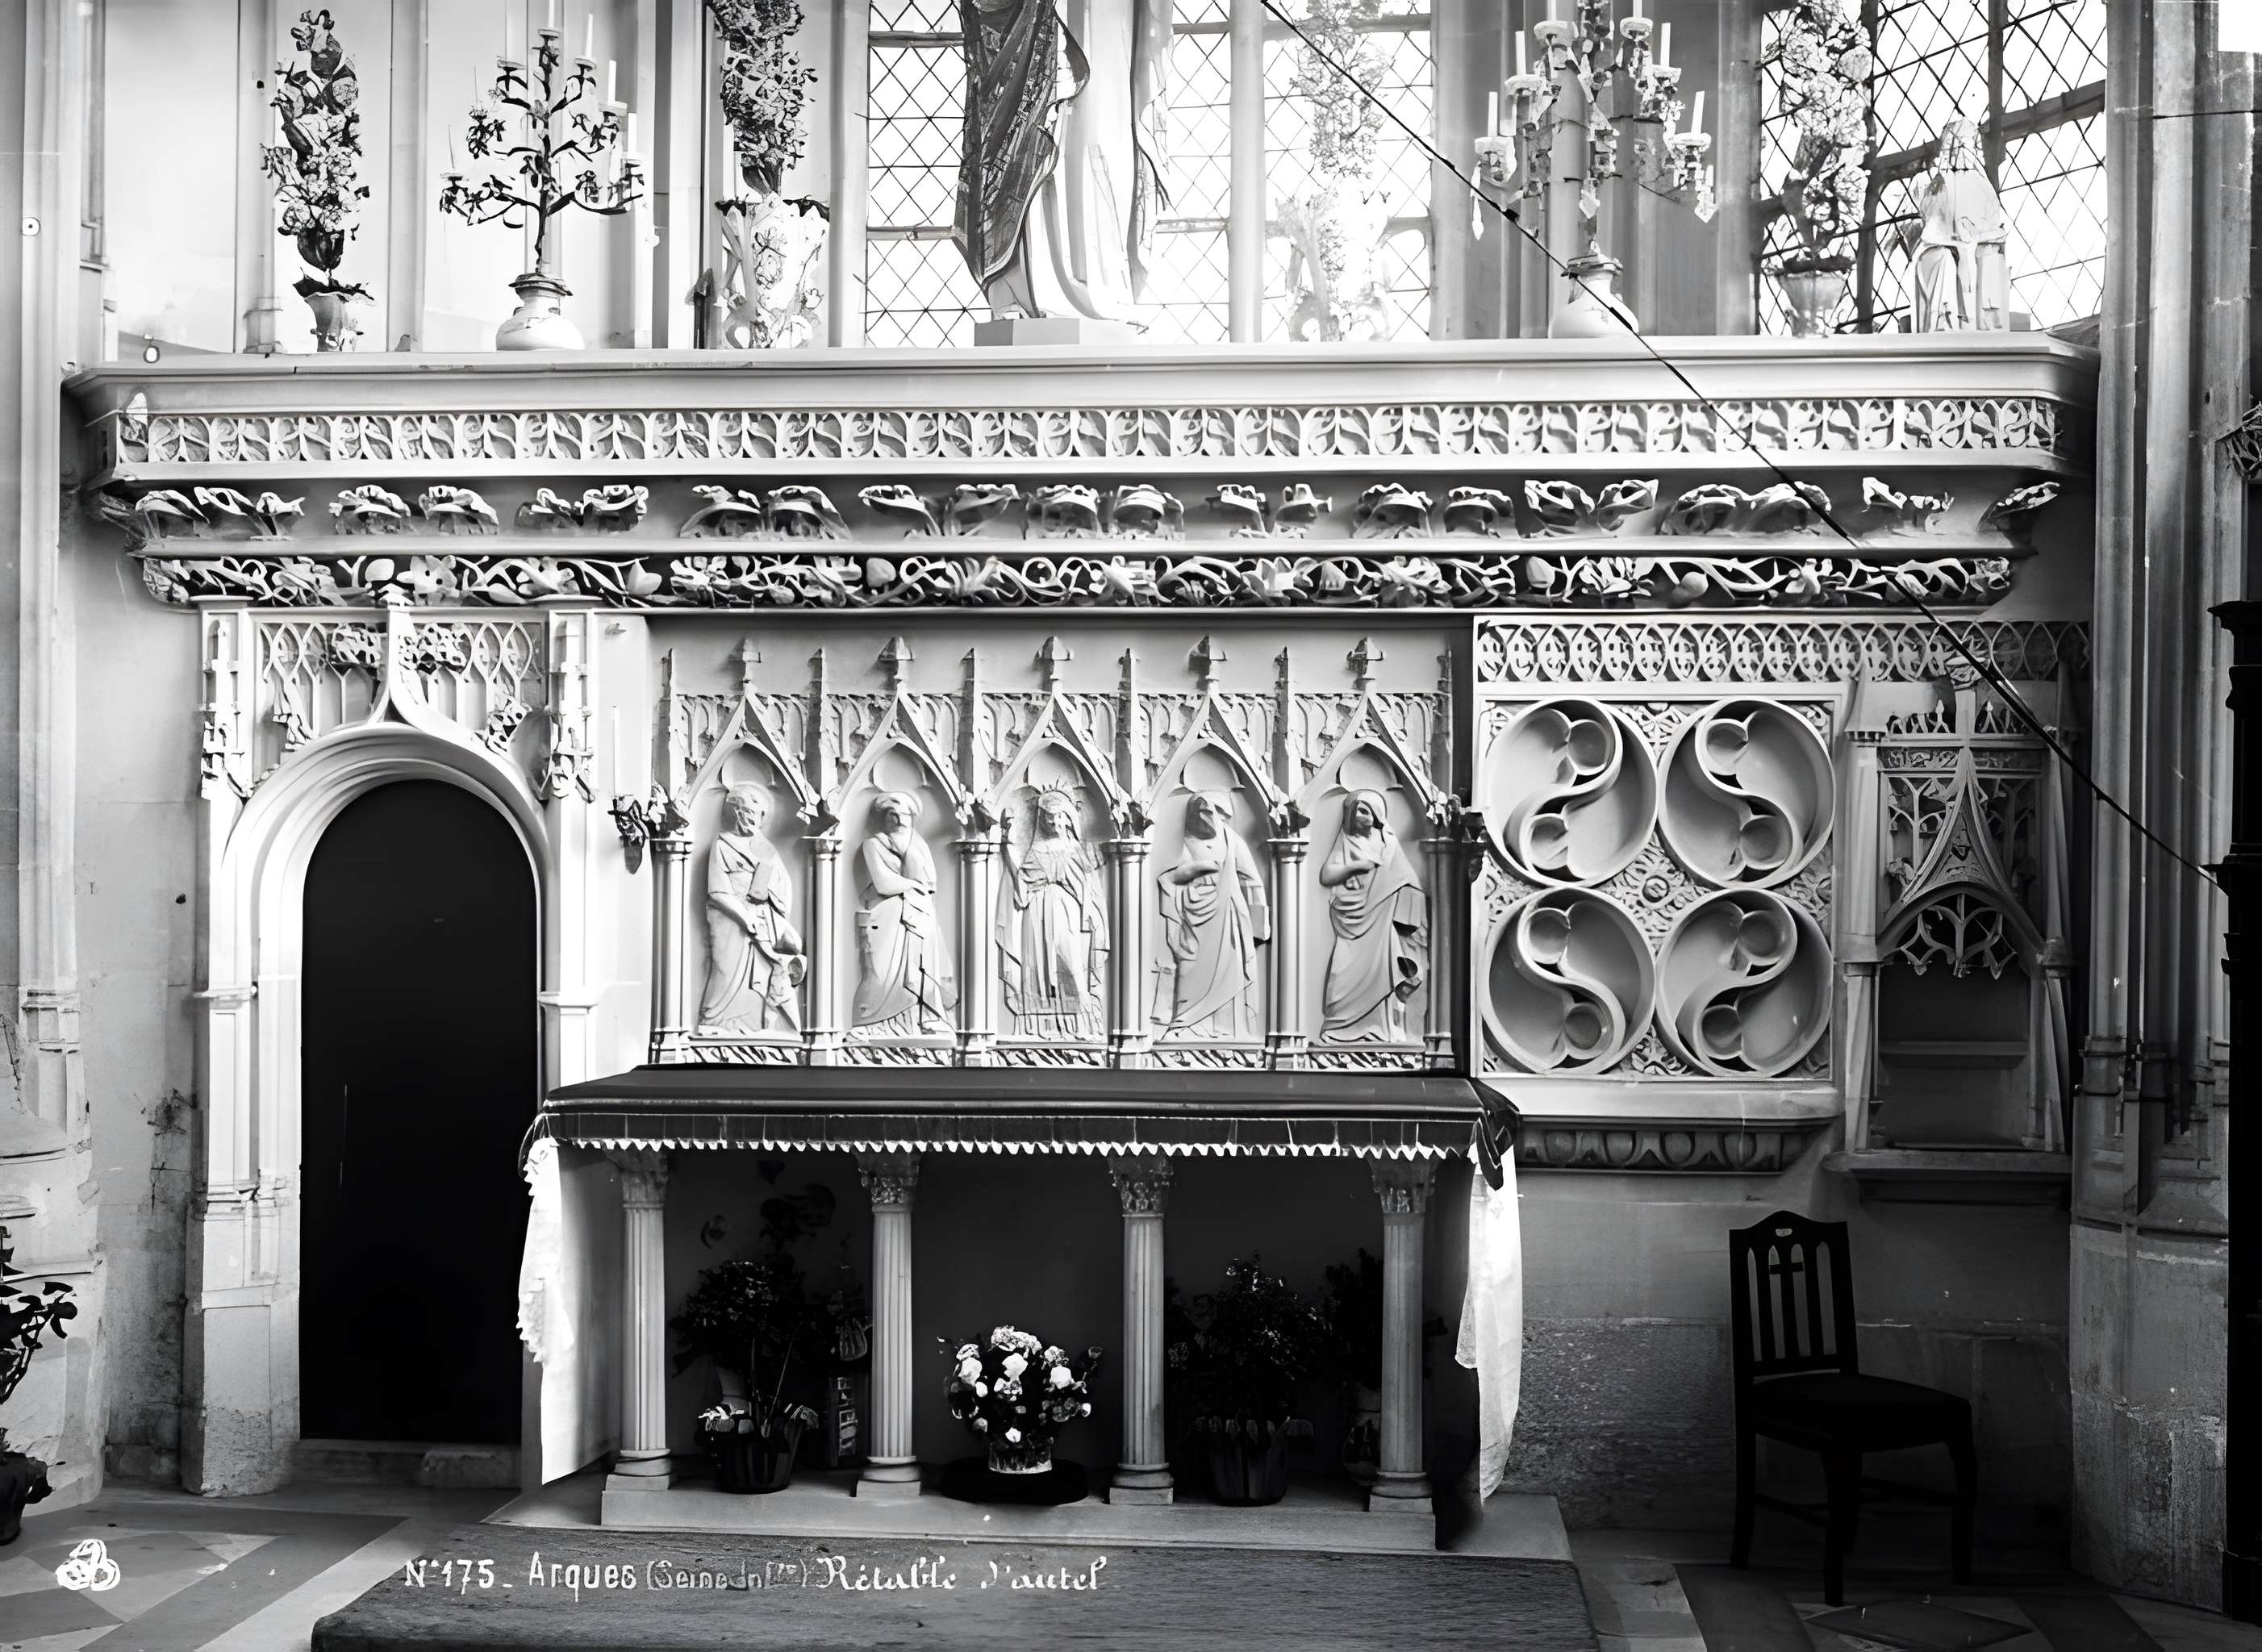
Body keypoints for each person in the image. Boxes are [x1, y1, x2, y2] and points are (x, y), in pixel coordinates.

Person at [954, 0, 1174, 323]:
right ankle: (1028, 286)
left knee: (1102, 125)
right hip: (1036, 24)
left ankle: (1102, 283)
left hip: (1104, 31)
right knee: (1029, 146)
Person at [1317, 789, 1428, 1044]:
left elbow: (1407, 878)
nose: (1360, 816)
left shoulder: (1387, 843)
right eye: (1356, 811)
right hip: (1351, 918)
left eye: (1365, 811)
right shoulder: (1347, 840)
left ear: (1377, 814)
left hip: (1382, 917)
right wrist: (1356, 866)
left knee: (1384, 969)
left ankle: (1381, 1029)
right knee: (1344, 971)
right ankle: (1340, 1027)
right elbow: (1327, 874)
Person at [998, 788, 1109, 1039]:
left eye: (1059, 817)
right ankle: (1040, 1026)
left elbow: (1088, 884)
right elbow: (1022, 883)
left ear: (1067, 819)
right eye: (1050, 819)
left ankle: (1080, 1023)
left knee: (1069, 961)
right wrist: (1006, 842)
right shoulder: (1037, 850)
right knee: (1039, 966)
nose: (1055, 824)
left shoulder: (1074, 849)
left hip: (1066, 911)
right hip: (1036, 911)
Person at [1156, 791, 1269, 1038]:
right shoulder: (1184, 841)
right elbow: (1170, 877)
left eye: (1212, 813)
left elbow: (1251, 881)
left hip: (1229, 919)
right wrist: (1195, 870)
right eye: (1201, 813)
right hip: (1193, 920)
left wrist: (1259, 927)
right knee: (1191, 973)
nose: (1208, 819)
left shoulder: (1231, 840)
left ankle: (1228, 1031)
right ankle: (1187, 1027)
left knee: (1231, 974)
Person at [696, 783, 804, 1037]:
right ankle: (716, 1021)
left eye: (758, 815)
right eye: (747, 813)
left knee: (764, 973)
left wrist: (768, 897)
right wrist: (744, 916)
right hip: (731, 920)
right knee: (727, 971)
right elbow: (717, 891)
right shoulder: (722, 844)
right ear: (735, 812)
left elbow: (783, 884)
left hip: (763, 917)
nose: (753, 820)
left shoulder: (764, 848)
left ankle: (760, 1026)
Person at [852, 792, 957, 1037]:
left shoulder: (918, 845)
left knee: (922, 969)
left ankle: (925, 1019)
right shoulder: (873, 844)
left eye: (904, 815)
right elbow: (883, 883)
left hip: (920, 914)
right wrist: (912, 885)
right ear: (883, 818)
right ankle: (874, 1022)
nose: (899, 820)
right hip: (887, 916)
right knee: (882, 974)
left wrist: (910, 849)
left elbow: (929, 883)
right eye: (892, 815)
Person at [1899, 118, 2008, 333]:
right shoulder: (1939, 186)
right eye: (1956, 144)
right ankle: (1944, 324)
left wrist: (1974, 243)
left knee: (1990, 256)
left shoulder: (1982, 186)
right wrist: (1962, 251)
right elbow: (1932, 233)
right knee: (1944, 260)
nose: (1962, 151)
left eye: (1967, 143)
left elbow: (1997, 229)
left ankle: (1986, 326)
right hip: (1940, 253)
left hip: (1977, 254)